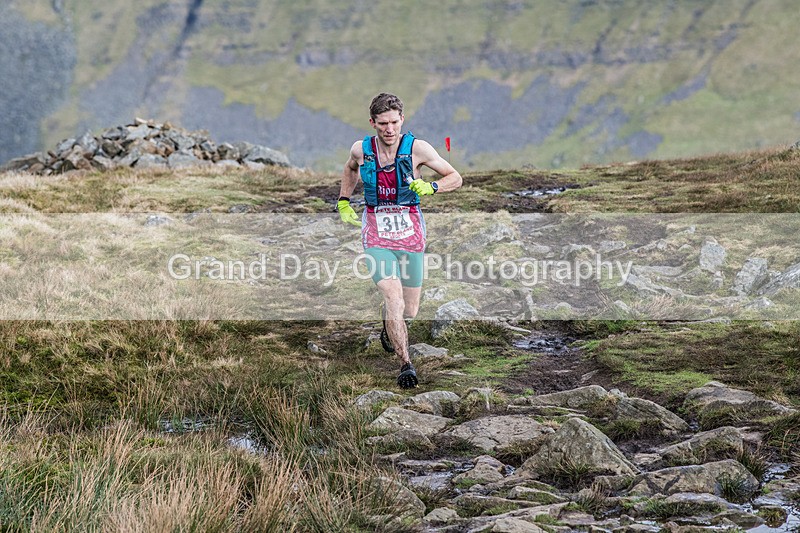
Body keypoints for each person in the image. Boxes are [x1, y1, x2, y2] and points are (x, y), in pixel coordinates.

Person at [337, 92, 462, 389]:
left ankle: (388, 321)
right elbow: (350, 169)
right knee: (392, 295)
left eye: (394, 122)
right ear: (373, 123)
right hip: (376, 231)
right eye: (382, 124)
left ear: (402, 120)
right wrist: (343, 200)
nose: (389, 129)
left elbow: (455, 177)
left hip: (410, 232)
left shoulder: (418, 149)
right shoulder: (361, 149)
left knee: (410, 310)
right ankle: (406, 364)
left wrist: (431, 186)